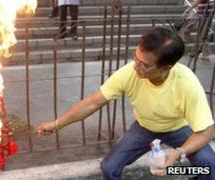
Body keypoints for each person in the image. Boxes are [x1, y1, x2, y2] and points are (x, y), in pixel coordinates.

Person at [38, 27, 215, 180]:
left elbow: (207, 131)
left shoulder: (186, 83)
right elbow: (92, 103)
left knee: (208, 165)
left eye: (145, 65)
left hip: (178, 128)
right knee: (109, 168)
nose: (137, 67)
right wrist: (56, 124)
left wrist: (179, 152)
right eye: (135, 59)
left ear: (166, 68)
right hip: (144, 127)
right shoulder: (130, 72)